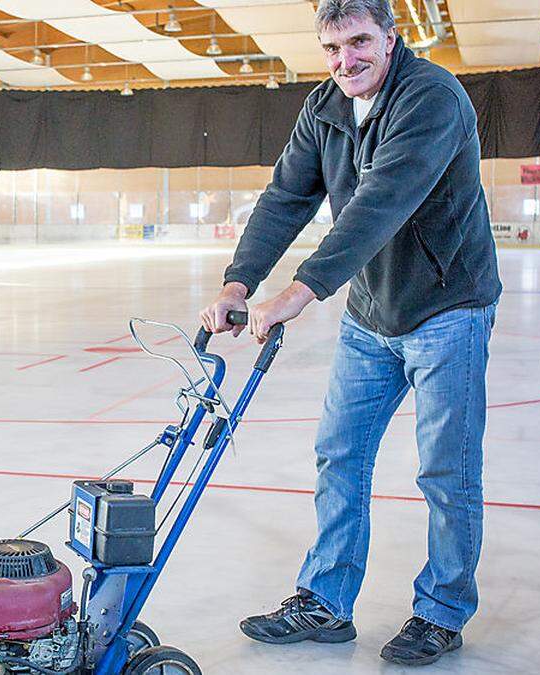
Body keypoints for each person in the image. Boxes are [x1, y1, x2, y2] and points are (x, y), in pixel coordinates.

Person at [198, 0, 501, 667]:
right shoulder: (325, 107)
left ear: (392, 39)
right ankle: (325, 602)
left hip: (448, 306)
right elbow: (285, 196)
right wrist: (238, 282)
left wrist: (297, 293)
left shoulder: (432, 100)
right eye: (332, 48)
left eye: (360, 42)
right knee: (340, 454)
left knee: (446, 472)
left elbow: (378, 206)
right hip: (372, 312)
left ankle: (441, 610)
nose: (346, 61)